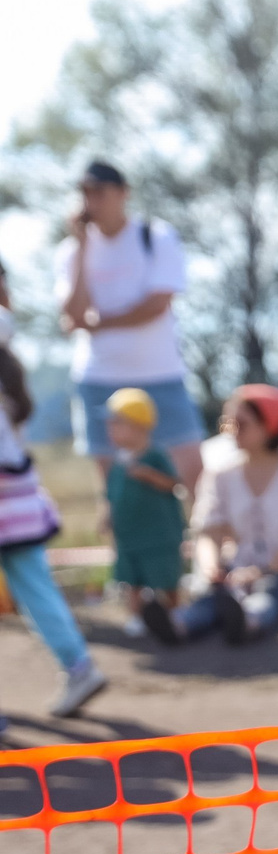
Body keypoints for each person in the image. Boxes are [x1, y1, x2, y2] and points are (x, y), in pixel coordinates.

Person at [56, 160, 204, 496]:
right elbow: (74, 315)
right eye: (84, 193)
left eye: (98, 191)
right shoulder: (70, 252)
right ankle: (125, 550)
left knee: (193, 475)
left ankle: (205, 546)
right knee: (115, 488)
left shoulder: (155, 236)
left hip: (161, 374)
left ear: (123, 193)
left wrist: (100, 322)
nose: (90, 200)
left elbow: (156, 305)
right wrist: (81, 246)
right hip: (98, 379)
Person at [0, 258, 107, 720]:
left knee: (34, 589)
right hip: (17, 491)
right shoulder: (8, 363)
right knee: (36, 589)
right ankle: (79, 665)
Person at [159, 385, 278, 644]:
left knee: (270, 593)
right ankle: (178, 624)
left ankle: (249, 619)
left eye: (241, 424)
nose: (231, 431)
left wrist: (260, 572)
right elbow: (207, 533)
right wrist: (211, 568)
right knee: (216, 596)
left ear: (269, 425)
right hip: (236, 573)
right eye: (228, 423)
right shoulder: (219, 473)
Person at [102, 387, 190, 639]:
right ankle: (137, 616)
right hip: (129, 536)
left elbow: (174, 483)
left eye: (117, 422)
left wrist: (148, 475)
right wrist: (106, 516)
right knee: (133, 580)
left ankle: (176, 612)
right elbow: (111, 494)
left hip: (160, 535)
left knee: (166, 576)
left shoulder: (155, 456)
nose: (110, 428)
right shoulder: (118, 461)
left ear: (139, 425)